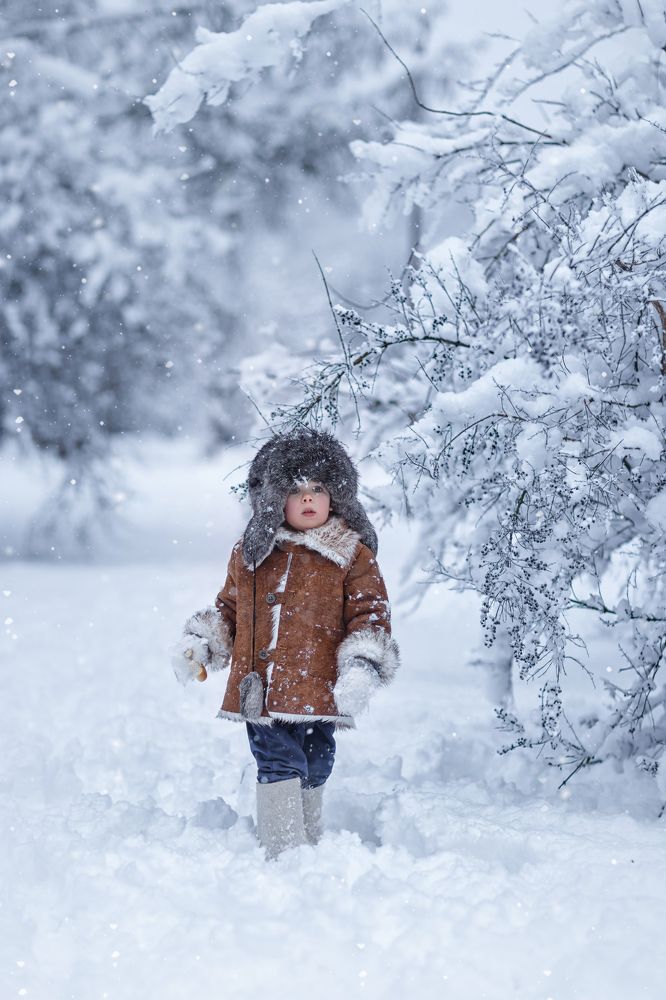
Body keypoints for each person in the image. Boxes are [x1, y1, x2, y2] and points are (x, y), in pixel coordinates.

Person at [172, 428, 399, 859]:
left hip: (319, 687)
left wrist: (362, 666)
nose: (309, 499)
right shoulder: (252, 553)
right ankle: (283, 850)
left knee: (316, 763)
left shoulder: (351, 555)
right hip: (262, 687)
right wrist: (202, 643)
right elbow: (230, 608)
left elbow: (371, 613)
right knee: (279, 763)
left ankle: (308, 843)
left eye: (318, 488)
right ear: (274, 498)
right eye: (296, 490)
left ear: (338, 496)